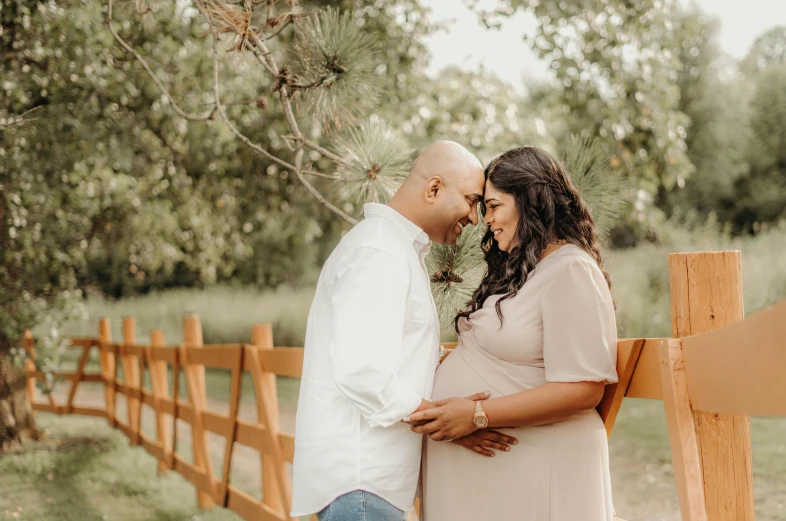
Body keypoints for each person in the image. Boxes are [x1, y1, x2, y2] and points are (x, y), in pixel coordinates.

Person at [290, 141, 517, 521]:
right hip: (362, 483)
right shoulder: (378, 251)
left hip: (371, 484)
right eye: (470, 200)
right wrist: (448, 421)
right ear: (433, 189)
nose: (476, 218)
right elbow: (362, 370)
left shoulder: (392, 249)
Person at [406, 146, 619, 521]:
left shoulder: (571, 270)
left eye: (492, 205)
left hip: (536, 470)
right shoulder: (524, 274)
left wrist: (477, 414)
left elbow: (584, 387)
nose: (484, 219)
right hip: (500, 476)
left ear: (530, 200)